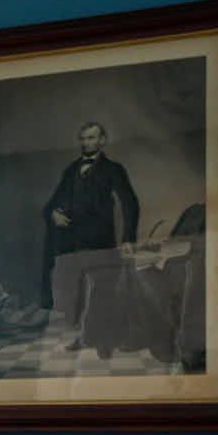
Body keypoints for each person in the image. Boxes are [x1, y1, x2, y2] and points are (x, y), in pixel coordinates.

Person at [39, 122, 139, 309]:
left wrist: (128, 239)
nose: (86, 142)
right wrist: (53, 214)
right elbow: (52, 203)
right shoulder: (70, 170)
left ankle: (100, 330)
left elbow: (130, 204)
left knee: (101, 291)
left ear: (102, 140)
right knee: (72, 290)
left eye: (91, 138)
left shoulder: (113, 169)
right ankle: (74, 328)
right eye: (83, 138)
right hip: (69, 240)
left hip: (98, 239)